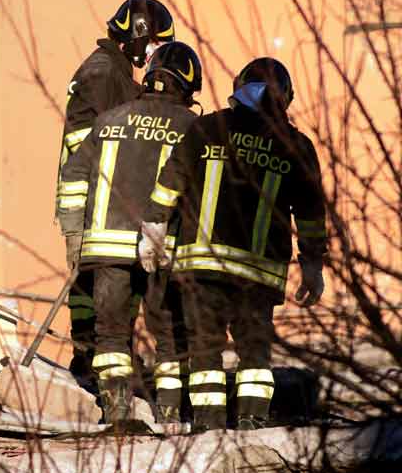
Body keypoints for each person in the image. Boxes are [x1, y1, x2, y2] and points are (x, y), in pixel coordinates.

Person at [140, 58, 327, 431]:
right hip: (258, 276)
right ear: (284, 98)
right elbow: (310, 212)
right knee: (255, 355)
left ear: (239, 87)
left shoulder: (207, 128)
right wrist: (312, 264)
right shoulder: (296, 146)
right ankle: (251, 423)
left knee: (205, 351)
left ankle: (207, 430)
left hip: (202, 267)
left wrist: (154, 229)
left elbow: (170, 181)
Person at [57, 41, 201, 425]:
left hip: (104, 248)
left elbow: (73, 176)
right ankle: (171, 418)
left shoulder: (109, 121)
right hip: (161, 250)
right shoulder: (192, 127)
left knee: (111, 337)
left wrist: (73, 233)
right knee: (170, 339)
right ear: (187, 88)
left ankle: (117, 413)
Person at [56, 0, 175, 389]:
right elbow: (96, 144)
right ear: (138, 36)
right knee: (97, 287)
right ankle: (93, 363)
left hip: (104, 200)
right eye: (155, 42)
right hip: (98, 202)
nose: (156, 52)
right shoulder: (104, 75)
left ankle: (107, 360)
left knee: (112, 288)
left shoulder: (116, 71)